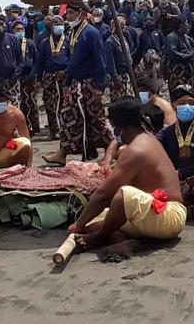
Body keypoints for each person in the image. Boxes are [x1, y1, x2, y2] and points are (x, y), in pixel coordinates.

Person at [69, 96, 187, 249]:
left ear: (119, 127)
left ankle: (99, 237)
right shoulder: (145, 138)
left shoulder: (136, 149)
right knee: (95, 217)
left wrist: (78, 225)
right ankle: (120, 240)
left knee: (123, 195)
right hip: (153, 213)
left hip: (168, 215)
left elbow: (104, 194)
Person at [44, 4, 110, 164]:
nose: (68, 16)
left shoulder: (92, 33)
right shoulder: (73, 32)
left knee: (95, 119)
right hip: (75, 83)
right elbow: (73, 62)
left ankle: (111, 150)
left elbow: (100, 61)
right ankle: (63, 152)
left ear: (81, 13)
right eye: (67, 13)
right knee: (69, 116)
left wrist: (100, 86)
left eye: (71, 13)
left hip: (89, 84)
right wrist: (67, 83)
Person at [155, 85, 194, 182]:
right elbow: (154, 145)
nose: (187, 106)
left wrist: (182, 173)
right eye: (182, 103)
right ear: (173, 106)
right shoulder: (167, 132)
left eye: (191, 103)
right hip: (174, 181)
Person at [34, 18, 68, 141]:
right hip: (49, 77)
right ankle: (53, 132)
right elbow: (40, 63)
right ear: (51, 27)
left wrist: (66, 72)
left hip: (65, 77)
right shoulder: (44, 42)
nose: (58, 26)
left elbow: (73, 59)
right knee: (49, 105)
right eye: (55, 24)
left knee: (65, 104)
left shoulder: (68, 40)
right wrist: (38, 79)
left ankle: (65, 131)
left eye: (60, 24)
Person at [11, 21, 40, 137]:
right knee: (20, 103)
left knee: (31, 102)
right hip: (17, 79)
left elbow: (36, 61)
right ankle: (23, 127)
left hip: (30, 78)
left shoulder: (30, 43)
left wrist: (32, 75)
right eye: (17, 29)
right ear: (13, 31)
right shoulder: (12, 44)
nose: (20, 31)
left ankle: (34, 127)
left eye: (22, 29)